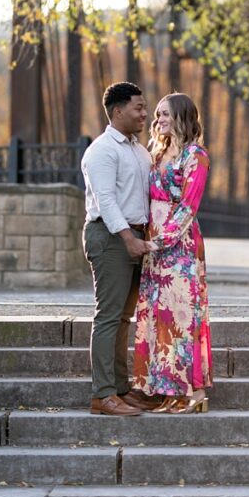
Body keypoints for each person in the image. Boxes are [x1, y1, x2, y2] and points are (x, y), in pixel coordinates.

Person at [131, 93, 213, 414]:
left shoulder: (196, 156)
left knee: (182, 316)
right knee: (159, 318)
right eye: (158, 114)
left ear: (181, 116)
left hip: (179, 247)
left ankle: (192, 392)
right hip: (154, 248)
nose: (158, 119)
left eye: (165, 114)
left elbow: (189, 207)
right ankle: (166, 389)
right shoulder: (158, 153)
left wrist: (160, 240)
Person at [79, 82, 156, 416]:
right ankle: (103, 395)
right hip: (111, 238)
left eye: (145, 107)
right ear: (117, 111)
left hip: (134, 237)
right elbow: (106, 200)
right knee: (109, 316)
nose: (145, 113)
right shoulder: (102, 151)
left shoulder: (140, 151)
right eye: (138, 107)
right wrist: (128, 239)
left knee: (124, 318)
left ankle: (122, 389)